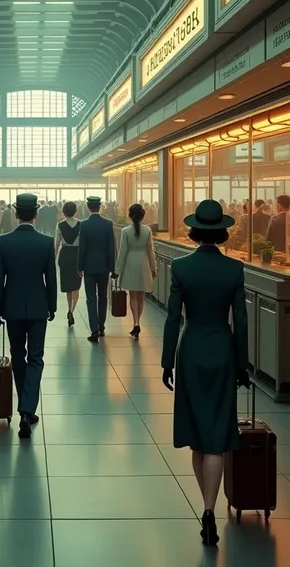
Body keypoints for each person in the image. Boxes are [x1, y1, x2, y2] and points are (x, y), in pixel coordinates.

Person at [161, 199, 249, 547]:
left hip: (192, 349)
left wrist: (167, 360)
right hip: (223, 351)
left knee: (198, 432)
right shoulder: (234, 270)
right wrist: (242, 365)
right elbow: (240, 321)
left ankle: (207, 505)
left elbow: (171, 319)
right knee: (218, 432)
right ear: (223, 231)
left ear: (195, 230)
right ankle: (211, 509)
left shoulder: (181, 267)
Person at [0, 193, 56, 439]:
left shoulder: (4, 242)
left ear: (16, 214)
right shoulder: (46, 242)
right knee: (36, 357)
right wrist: (52, 306)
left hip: (13, 308)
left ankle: (24, 410)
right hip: (39, 307)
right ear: (36, 215)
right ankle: (27, 409)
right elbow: (50, 277)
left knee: (17, 356)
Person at [115, 203, 157, 338]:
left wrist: (117, 270)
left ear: (130, 215)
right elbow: (151, 252)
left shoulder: (125, 231)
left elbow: (122, 253)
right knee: (141, 296)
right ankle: (138, 322)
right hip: (144, 263)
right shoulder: (148, 231)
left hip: (131, 263)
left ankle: (136, 323)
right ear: (143, 215)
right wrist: (153, 268)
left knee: (133, 296)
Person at [77, 195, 115, 343]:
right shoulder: (108, 224)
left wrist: (80, 266)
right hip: (104, 266)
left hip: (89, 266)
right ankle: (101, 326)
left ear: (88, 207)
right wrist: (112, 267)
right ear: (100, 207)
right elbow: (111, 247)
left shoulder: (84, 224)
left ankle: (94, 330)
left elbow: (83, 247)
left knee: (91, 298)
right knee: (103, 296)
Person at [55, 201, 82, 327]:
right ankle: (71, 311)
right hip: (77, 255)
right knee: (76, 286)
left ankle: (68, 307)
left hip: (65, 255)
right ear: (75, 211)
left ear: (64, 212)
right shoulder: (81, 225)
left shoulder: (60, 225)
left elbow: (57, 244)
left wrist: (53, 257)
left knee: (68, 287)